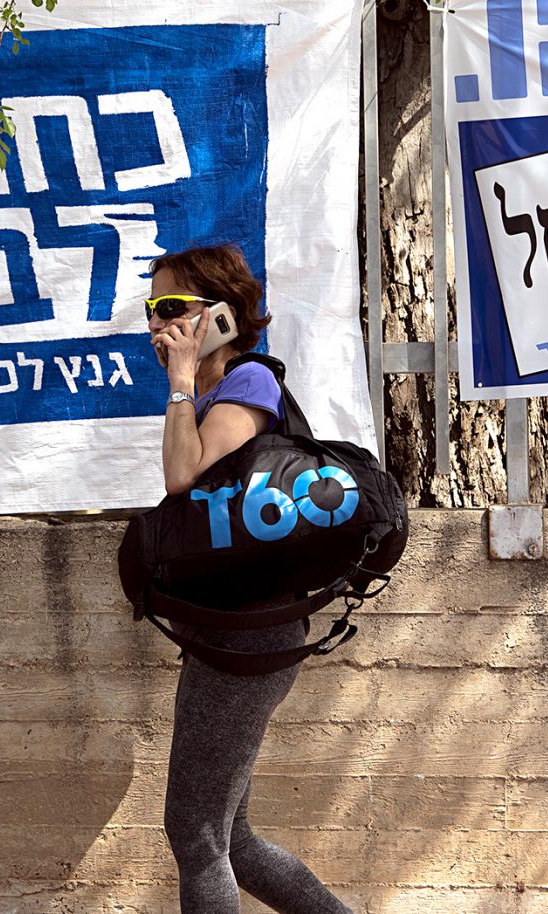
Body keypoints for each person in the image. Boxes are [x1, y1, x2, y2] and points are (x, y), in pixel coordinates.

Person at [145, 243, 354, 914]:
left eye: (174, 309)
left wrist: (182, 382)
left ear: (221, 315)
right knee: (229, 836)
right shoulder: (210, 397)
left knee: (195, 831)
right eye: (153, 311)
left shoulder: (248, 384)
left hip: (247, 638)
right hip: (234, 633)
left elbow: (185, 476)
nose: (158, 325)